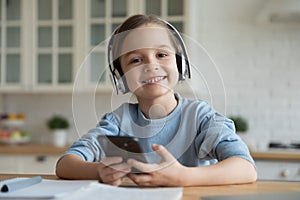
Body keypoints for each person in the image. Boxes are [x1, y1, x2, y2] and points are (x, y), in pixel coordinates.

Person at [56, 14, 257, 186]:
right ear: (121, 77)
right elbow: (65, 164)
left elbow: (246, 168)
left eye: (161, 54)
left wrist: (183, 176)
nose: (151, 66)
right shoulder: (118, 121)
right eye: (135, 60)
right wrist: (99, 171)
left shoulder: (200, 117)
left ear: (180, 63)